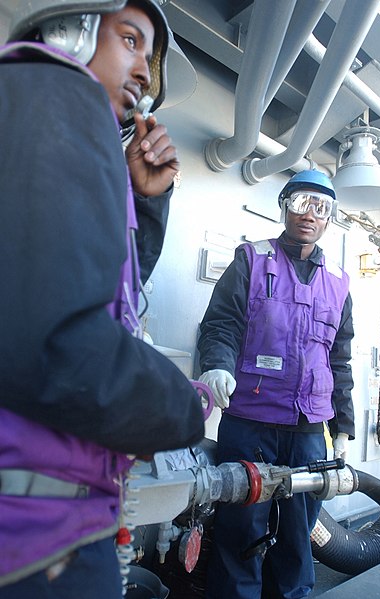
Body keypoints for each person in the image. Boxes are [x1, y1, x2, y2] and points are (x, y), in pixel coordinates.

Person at [0, 1, 204, 597]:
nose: (145, 71)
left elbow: (103, 293)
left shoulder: (41, 118)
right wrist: (182, 407)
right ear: (69, 30)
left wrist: (146, 202)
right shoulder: (54, 92)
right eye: (130, 40)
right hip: (36, 539)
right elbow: (52, 340)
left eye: (151, 55)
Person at [198, 169, 355, 599]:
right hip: (250, 422)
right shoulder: (251, 259)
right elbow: (221, 325)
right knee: (241, 530)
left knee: (298, 534)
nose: (310, 214)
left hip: (308, 432)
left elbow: (339, 358)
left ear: (329, 218)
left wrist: (344, 427)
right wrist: (217, 365)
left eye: (321, 207)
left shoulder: (340, 282)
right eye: (302, 202)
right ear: (285, 205)